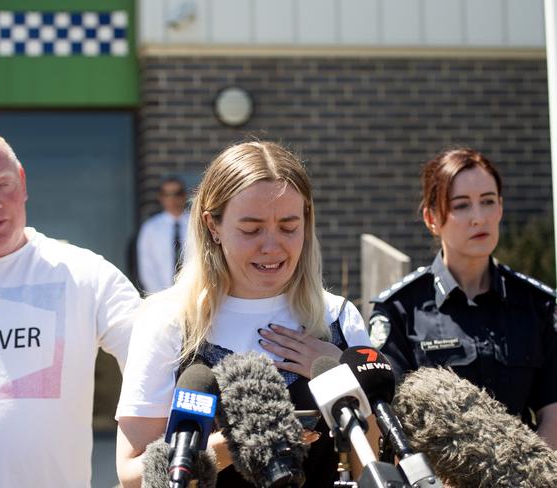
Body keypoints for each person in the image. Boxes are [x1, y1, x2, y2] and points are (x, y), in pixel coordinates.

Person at [115, 141, 371, 487]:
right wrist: (244, 442)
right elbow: (132, 476)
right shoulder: (167, 320)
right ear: (213, 226)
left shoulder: (339, 319)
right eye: (251, 229)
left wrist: (345, 379)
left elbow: (373, 467)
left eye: (289, 226)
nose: (271, 245)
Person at [0, 124, 141, 487]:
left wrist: (142, 466)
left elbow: (156, 366)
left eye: (4, 184)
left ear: (23, 182)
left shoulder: (84, 275)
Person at [369, 147, 557, 449]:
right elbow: (389, 419)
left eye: (488, 201)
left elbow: (553, 411)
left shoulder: (539, 305)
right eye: (461, 205)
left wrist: (527, 475)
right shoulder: (401, 309)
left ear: (500, 208)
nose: (478, 218)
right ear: (432, 218)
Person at [136, 177, 189, 294]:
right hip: (161, 297)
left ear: (185, 195)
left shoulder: (196, 224)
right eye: (167, 194)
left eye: (177, 194)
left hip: (193, 295)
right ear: (160, 197)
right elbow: (147, 268)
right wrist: (162, 297)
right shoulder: (150, 228)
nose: (172, 199)